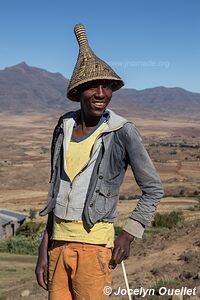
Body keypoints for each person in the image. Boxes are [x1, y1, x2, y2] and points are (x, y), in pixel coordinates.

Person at [35, 24, 164, 300]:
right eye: (93, 85)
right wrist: (44, 248)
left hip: (95, 250)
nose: (101, 93)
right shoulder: (63, 127)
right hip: (57, 247)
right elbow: (56, 188)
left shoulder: (122, 132)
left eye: (107, 86)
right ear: (79, 90)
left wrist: (130, 234)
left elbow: (153, 188)